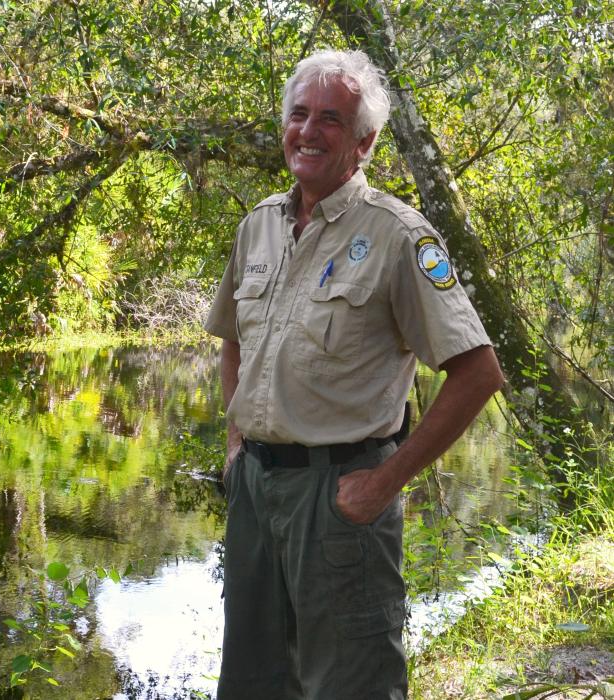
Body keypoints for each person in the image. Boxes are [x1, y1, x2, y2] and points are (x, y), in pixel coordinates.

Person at [204, 49, 504, 699]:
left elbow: (478, 372)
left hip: (338, 499)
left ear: (364, 143)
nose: (308, 131)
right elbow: (233, 340)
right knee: (255, 685)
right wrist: (235, 447)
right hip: (255, 492)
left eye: (331, 119)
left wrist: (384, 482)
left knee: (350, 686)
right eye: (299, 114)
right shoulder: (258, 227)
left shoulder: (399, 237)